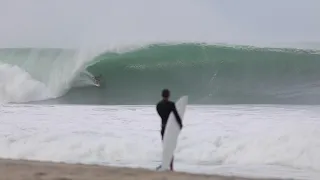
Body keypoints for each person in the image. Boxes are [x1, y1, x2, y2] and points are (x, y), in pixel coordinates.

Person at [155, 89, 183, 171]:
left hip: (163, 128)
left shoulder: (158, 105)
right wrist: (180, 125)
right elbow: (176, 116)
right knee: (170, 148)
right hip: (170, 129)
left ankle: (165, 164)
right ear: (169, 95)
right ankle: (171, 167)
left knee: (165, 148)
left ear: (162, 95)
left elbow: (161, 115)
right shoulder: (171, 104)